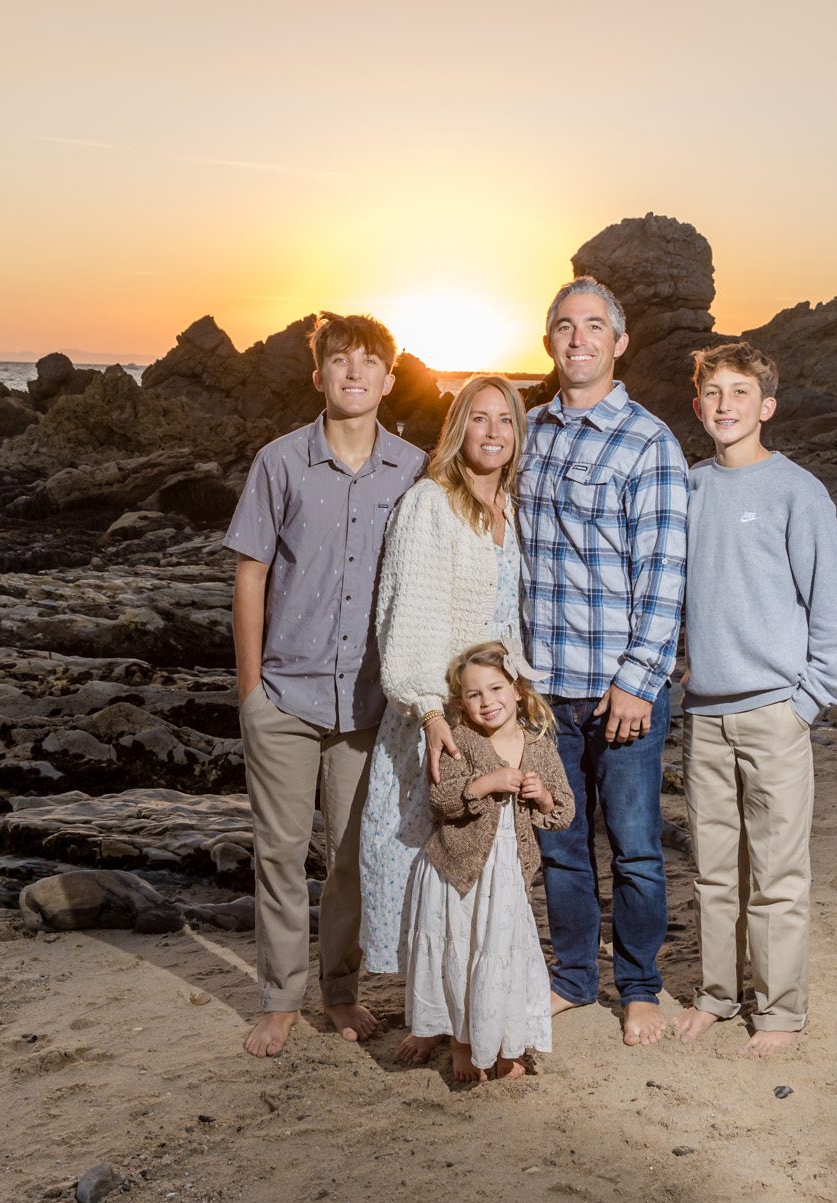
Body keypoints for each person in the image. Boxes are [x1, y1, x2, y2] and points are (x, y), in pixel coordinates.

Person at [224, 311, 425, 1058]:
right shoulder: (278, 463)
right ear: (320, 376)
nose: (354, 374)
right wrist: (251, 689)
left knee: (349, 858)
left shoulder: (413, 469)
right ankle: (278, 997)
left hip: (368, 705)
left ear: (387, 379)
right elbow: (251, 575)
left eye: (369, 363)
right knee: (277, 850)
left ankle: (339, 991)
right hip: (283, 695)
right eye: (341, 361)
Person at [670, 341, 837, 1058]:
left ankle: (780, 1009)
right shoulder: (685, 490)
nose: (725, 405)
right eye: (713, 393)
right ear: (698, 407)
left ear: (767, 406)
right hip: (704, 716)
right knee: (713, 871)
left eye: (740, 392)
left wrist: (807, 701)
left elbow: (836, 612)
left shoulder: (797, 491)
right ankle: (718, 995)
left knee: (778, 872)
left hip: (776, 712)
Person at [514, 276, 689, 1047]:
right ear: (547, 340)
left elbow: (664, 577)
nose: (577, 338)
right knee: (560, 844)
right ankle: (575, 979)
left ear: (620, 343)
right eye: (563, 325)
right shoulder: (528, 432)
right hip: (544, 693)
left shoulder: (650, 443)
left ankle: (641, 986)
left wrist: (636, 683)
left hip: (622, 695)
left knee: (638, 849)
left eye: (594, 326)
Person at [363, 376, 530, 1063]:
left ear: (518, 435)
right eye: (479, 418)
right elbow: (405, 618)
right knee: (430, 875)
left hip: (493, 717)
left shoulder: (508, 509)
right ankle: (434, 1017)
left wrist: (521, 706)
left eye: (506, 421)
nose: (492, 432)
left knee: (482, 875)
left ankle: (469, 1019)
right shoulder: (430, 504)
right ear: (457, 426)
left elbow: (506, 619)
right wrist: (432, 714)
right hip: (433, 720)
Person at [403, 641, 575, 1082]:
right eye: (474, 694)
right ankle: (462, 1041)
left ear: (517, 691)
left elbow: (564, 812)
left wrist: (543, 796)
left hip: (507, 874)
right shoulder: (460, 740)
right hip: (457, 871)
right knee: (460, 953)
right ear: (461, 702)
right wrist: (485, 784)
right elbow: (440, 800)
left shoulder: (539, 747)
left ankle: (504, 1041)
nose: (487, 701)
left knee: (501, 953)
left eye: (496, 688)